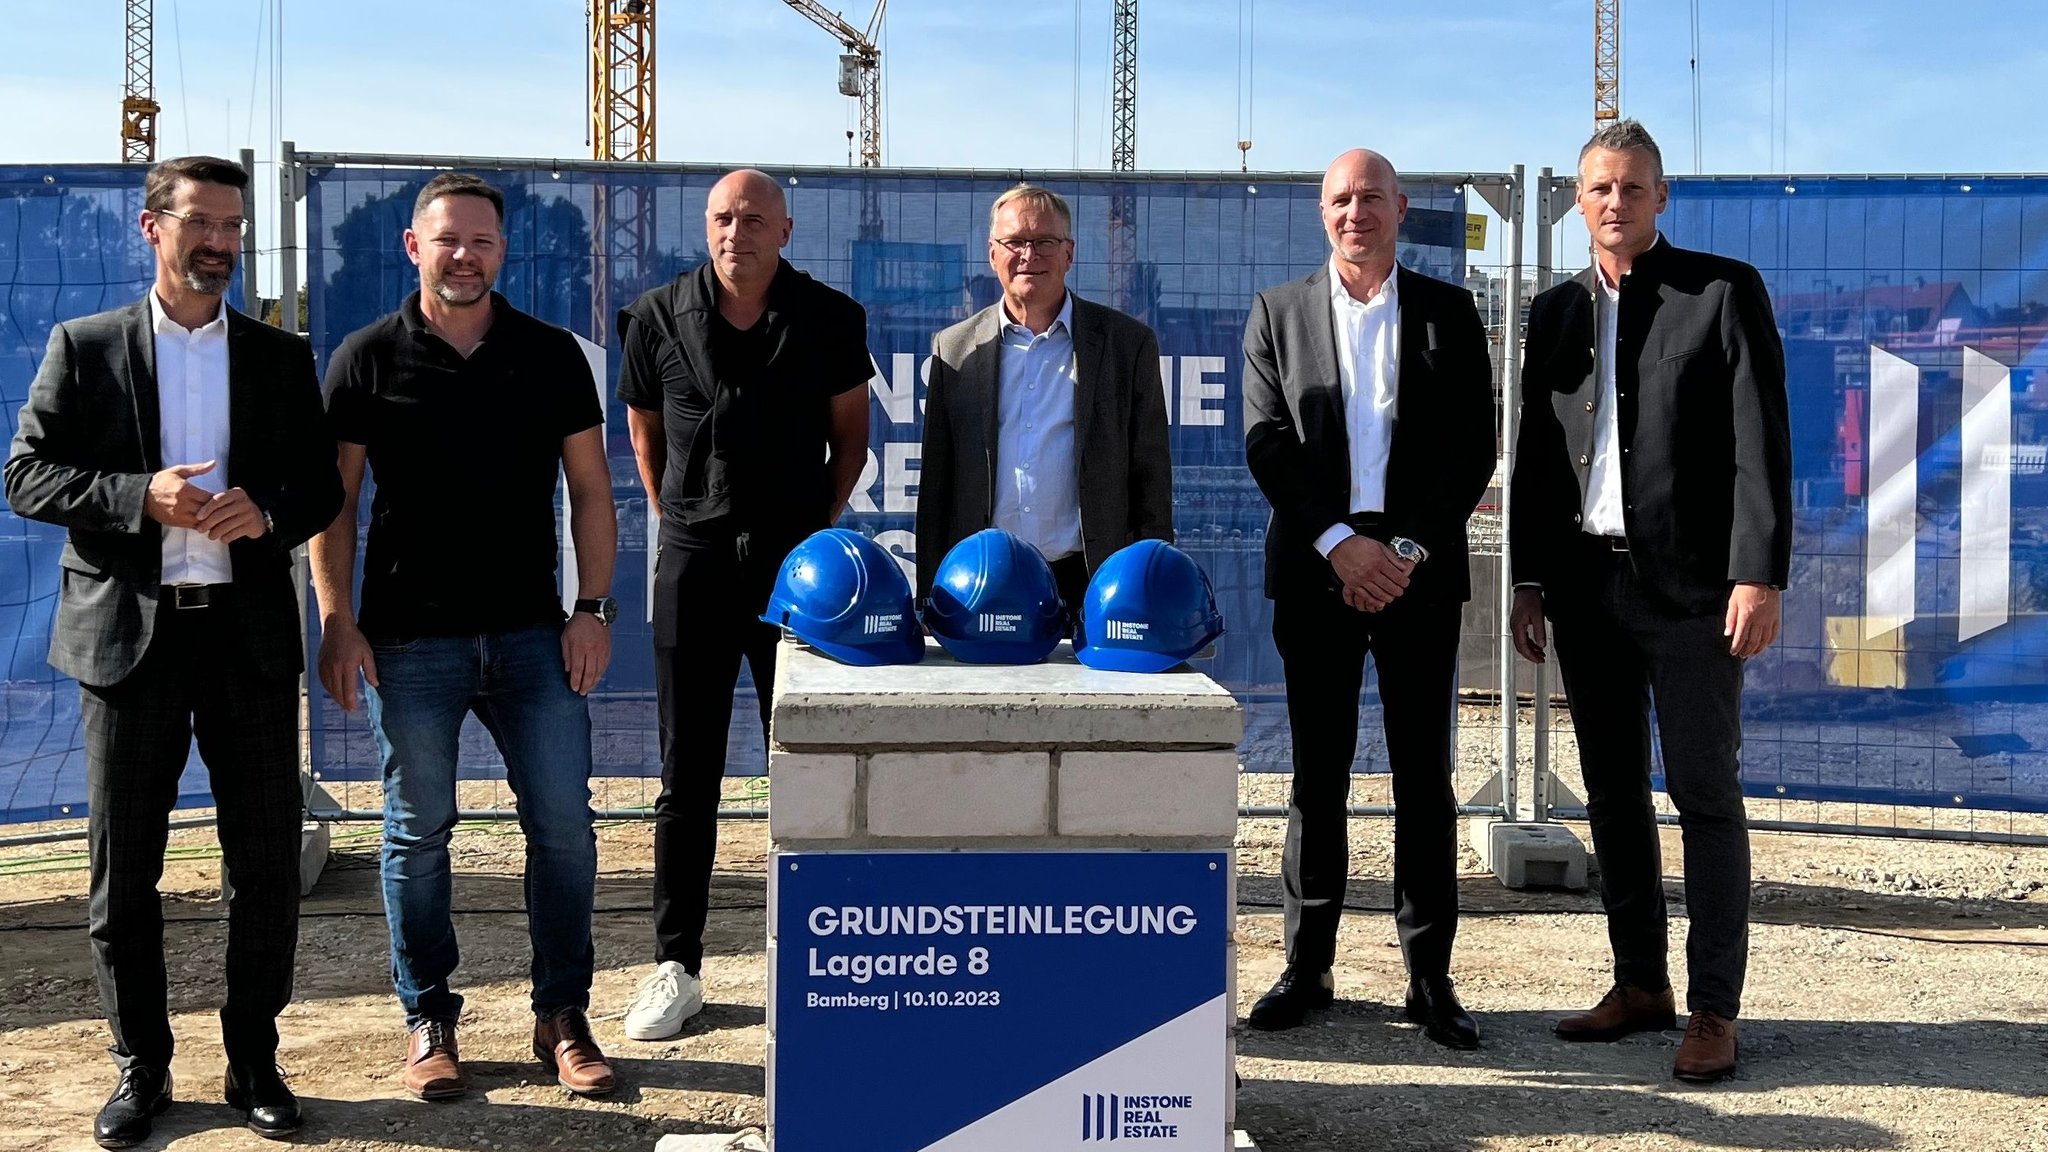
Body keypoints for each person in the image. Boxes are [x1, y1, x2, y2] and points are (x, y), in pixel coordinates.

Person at [5, 155, 341, 1146]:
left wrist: (267, 508)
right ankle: (141, 1068)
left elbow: (320, 487)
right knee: (126, 875)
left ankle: (253, 1062)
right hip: (126, 649)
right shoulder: (87, 346)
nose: (221, 245)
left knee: (267, 869)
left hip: (244, 648)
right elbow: (26, 475)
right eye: (202, 224)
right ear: (150, 229)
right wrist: (134, 496)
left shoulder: (281, 358)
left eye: (234, 228)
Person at [311, 172, 619, 1099]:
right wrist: (336, 619)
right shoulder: (364, 359)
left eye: (483, 241)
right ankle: (429, 1018)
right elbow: (336, 502)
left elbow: (593, 492)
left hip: (535, 639)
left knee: (564, 830)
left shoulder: (551, 354)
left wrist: (592, 610)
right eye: (448, 240)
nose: (465, 255)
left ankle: (561, 1015)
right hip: (410, 645)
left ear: (502, 252)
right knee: (418, 836)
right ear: (414, 247)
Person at [1508, 119, 1791, 1083]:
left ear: (1660, 196)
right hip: (1587, 591)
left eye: (1632, 188)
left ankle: (1713, 1009)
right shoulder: (1552, 313)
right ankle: (1640, 983)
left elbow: (1761, 443)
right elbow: (1539, 464)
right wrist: (1528, 582)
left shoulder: (1720, 292)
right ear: (1577, 203)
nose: (1615, 204)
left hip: (1695, 595)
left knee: (1705, 796)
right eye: (1599, 190)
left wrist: (1760, 574)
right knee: (1614, 794)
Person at [1239, 148, 1496, 1048]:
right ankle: (1307, 970)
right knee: (1318, 778)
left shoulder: (1451, 312)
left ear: (1402, 208)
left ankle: (1431, 979)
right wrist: (1342, 545)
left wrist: (1404, 551)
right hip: (1317, 574)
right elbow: (1267, 442)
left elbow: (1474, 448)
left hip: (1419, 577)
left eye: (1373, 198)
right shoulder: (1277, 313)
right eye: (1342, 199)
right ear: (1323, 213)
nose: (1358, 212)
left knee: (1426, 780)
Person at [616, 169, 872, 1040]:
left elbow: (851, 438)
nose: (739, 232)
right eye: (725, 217)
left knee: (802, 763)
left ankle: (816, 960)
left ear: (786, 230)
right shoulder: (656, 315)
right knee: (686, 777)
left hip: (797, 572)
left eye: (756, 219)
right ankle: (675, 966)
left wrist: (810, 527)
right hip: (691, 563)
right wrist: (682, 517)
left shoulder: (831, 318)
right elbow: (644, 435)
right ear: (707, 225)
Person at [917, 184, 1173, 612]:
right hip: (980, 580)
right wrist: (930, 594)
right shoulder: (954, 348)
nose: (1028, 255)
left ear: (1069, 253)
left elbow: (1151, 473)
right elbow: (937, 485)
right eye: (1014, 242)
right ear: (992, 253)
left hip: (1092, 580)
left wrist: (1149, 581)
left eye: (1044, 242)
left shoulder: (1127, 345)